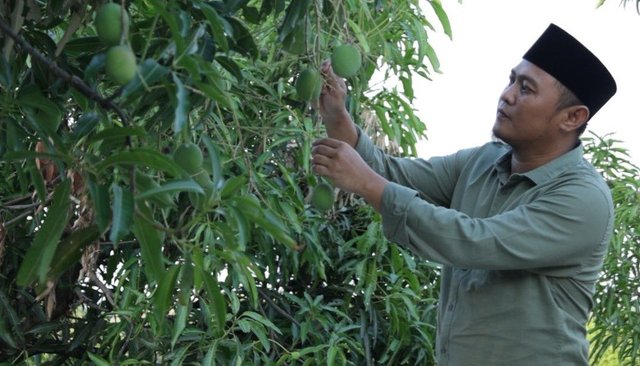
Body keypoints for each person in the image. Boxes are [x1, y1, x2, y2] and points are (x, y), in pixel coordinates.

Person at [310, 23, 617, 365]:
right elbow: (391, 174)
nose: (508, 94)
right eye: (512, 79)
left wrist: (366, 183)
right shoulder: (481, 161)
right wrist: (337, 116)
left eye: (527, 88)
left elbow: (476, 242)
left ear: (572, 117)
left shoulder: (583, 198)